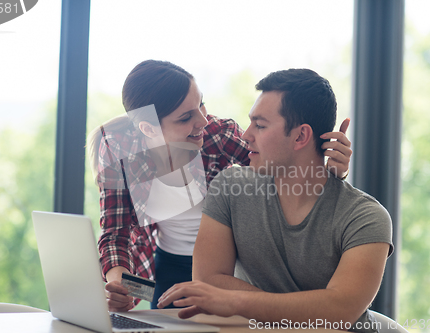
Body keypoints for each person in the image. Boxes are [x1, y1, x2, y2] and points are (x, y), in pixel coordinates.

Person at [87, 60, 352, 312]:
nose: (203, 121)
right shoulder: (118, 153)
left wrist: (327, 172)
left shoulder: (216, 135)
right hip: (165, 263)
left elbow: (282, 174)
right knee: (161, 320)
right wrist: (119, 286)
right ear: (148, 128)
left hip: (229, 265)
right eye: (185, 117)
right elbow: (116, 233)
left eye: (201, 104)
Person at [156, 68, 393, 333]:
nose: (245, 135)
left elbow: (339, 311)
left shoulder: (366, 217)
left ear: (301, 136)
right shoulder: (229, 188)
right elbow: (209, 283)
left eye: (260, 125)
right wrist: (307, 308)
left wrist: (235, 300)